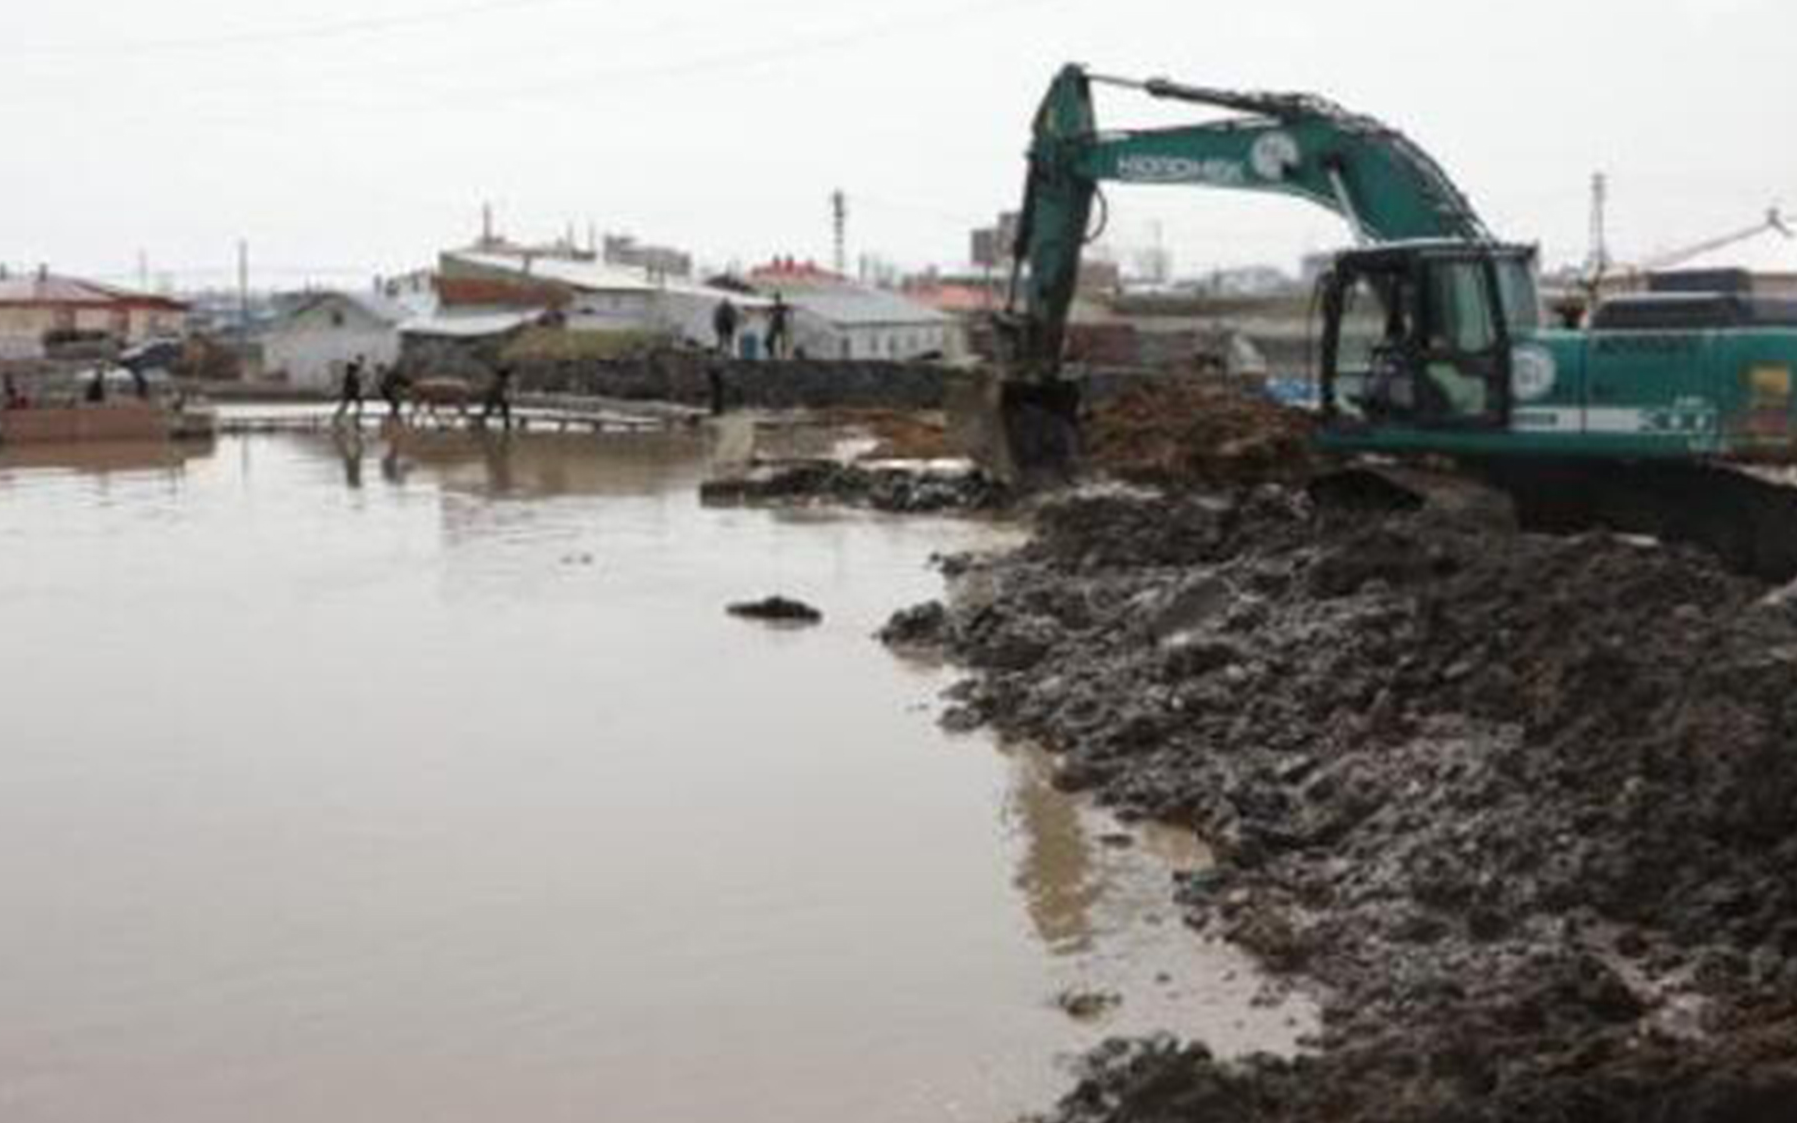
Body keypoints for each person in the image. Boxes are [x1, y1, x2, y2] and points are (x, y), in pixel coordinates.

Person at [482, 362, 514, 429]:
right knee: (504, 410)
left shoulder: (500, 381)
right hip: (496, 398)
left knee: (490, 410)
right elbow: (497, 390)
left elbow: (495, 390)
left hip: (496, 398)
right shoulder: (501, 381)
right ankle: (507, 423)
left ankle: (507, 423)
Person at [333, 356, 366, 422]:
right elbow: (355, 375)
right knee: (344, 406)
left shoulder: (353, 373)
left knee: (360, 406)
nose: (355, 374)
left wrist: (361, 362)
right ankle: (336, 419)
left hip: (354, 393)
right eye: (354, 372)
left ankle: (356, 419)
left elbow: (359, 369)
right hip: (349, 393)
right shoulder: (349, 376)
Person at [765, 293, 790, 360]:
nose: (776, 300)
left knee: (782, 340)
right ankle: (772, 354)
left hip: (779, 325)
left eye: (777, 299)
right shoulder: (773, 307)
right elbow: (767, 312)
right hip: (775, 325)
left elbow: (788, 309)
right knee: (770, 341)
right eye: (776, 299)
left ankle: (781, 354)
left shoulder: (782, 306)